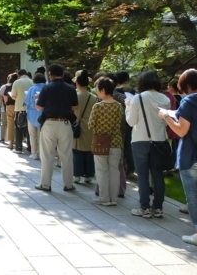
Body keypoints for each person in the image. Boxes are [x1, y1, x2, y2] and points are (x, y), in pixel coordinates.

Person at [158, 69, 197, 247]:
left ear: (186, 84)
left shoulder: (187, 102)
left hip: (190, 155)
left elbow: (181, 130)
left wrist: (165, 116)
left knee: (193, 197)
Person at [125, 71, 170, 218]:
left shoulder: (138, 98)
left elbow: (131, 122)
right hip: (159, 141)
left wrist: (127, 107)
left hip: (140, 140)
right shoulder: (165, 99)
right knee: (158, 175)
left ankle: (144, 207)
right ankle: (158, 207)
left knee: (143, 175)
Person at [35, 64, 78, 192]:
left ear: (50, 74)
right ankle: (68, 184)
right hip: (65, 123)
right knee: (66, 155)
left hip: (49, 123)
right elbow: (75, 106)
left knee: (47, 155)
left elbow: (39, 107)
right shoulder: (70, 88)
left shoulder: (46, 88)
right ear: (63, 74)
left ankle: (46, 184)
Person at [88, 77, 123, 206]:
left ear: (103, 90)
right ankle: (114, 198)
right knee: (114, 170)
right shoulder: (119, 106)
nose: (97, 92)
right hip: (115, 141)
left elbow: (91, 125)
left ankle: (104, 197)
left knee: (102, 170)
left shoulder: (98, 106)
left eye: (97, 90)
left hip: (100, 141)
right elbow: (119, 123)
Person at [72, 70, 96, 184]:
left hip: (78, 124)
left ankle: (77, 175)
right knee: (89, 151)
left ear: (77, 83)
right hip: (90, 125)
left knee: (77, 151)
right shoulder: (93, 97)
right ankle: (89, 175)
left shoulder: (75, 96)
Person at [24, 73, 46, 160]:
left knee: (32, 135)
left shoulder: (32, 88)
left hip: (31, 114)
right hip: (43, 115)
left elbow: (27, 101)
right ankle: (41, 153)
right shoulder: (46, 88)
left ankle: (34, 153)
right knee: (41, 135)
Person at [11, 69, 33, 154]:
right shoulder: (32, 81)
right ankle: (30, 147)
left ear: (19, 75)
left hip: (19, 108)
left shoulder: (17, 82)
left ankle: (18, 147)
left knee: (19, 128)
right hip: (30, 109)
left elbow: (13, 96)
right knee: (29, 130)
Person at [3, 73, 18, 150]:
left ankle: (11, 143)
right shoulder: (18, 86)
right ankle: (18, 142)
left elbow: (5, 98)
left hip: (9, 106)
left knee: (10, 124)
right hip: (18, 106)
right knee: (18, 125)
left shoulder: (8, 87)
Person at [0, 75, 9, 143]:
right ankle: (12, 139)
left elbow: (0, 96)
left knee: (3, 123)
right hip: (14, 107)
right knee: (12, 124)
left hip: (4, 107)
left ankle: (2, 138)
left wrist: (1, 104)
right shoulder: (15, 86)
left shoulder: (4, 86)